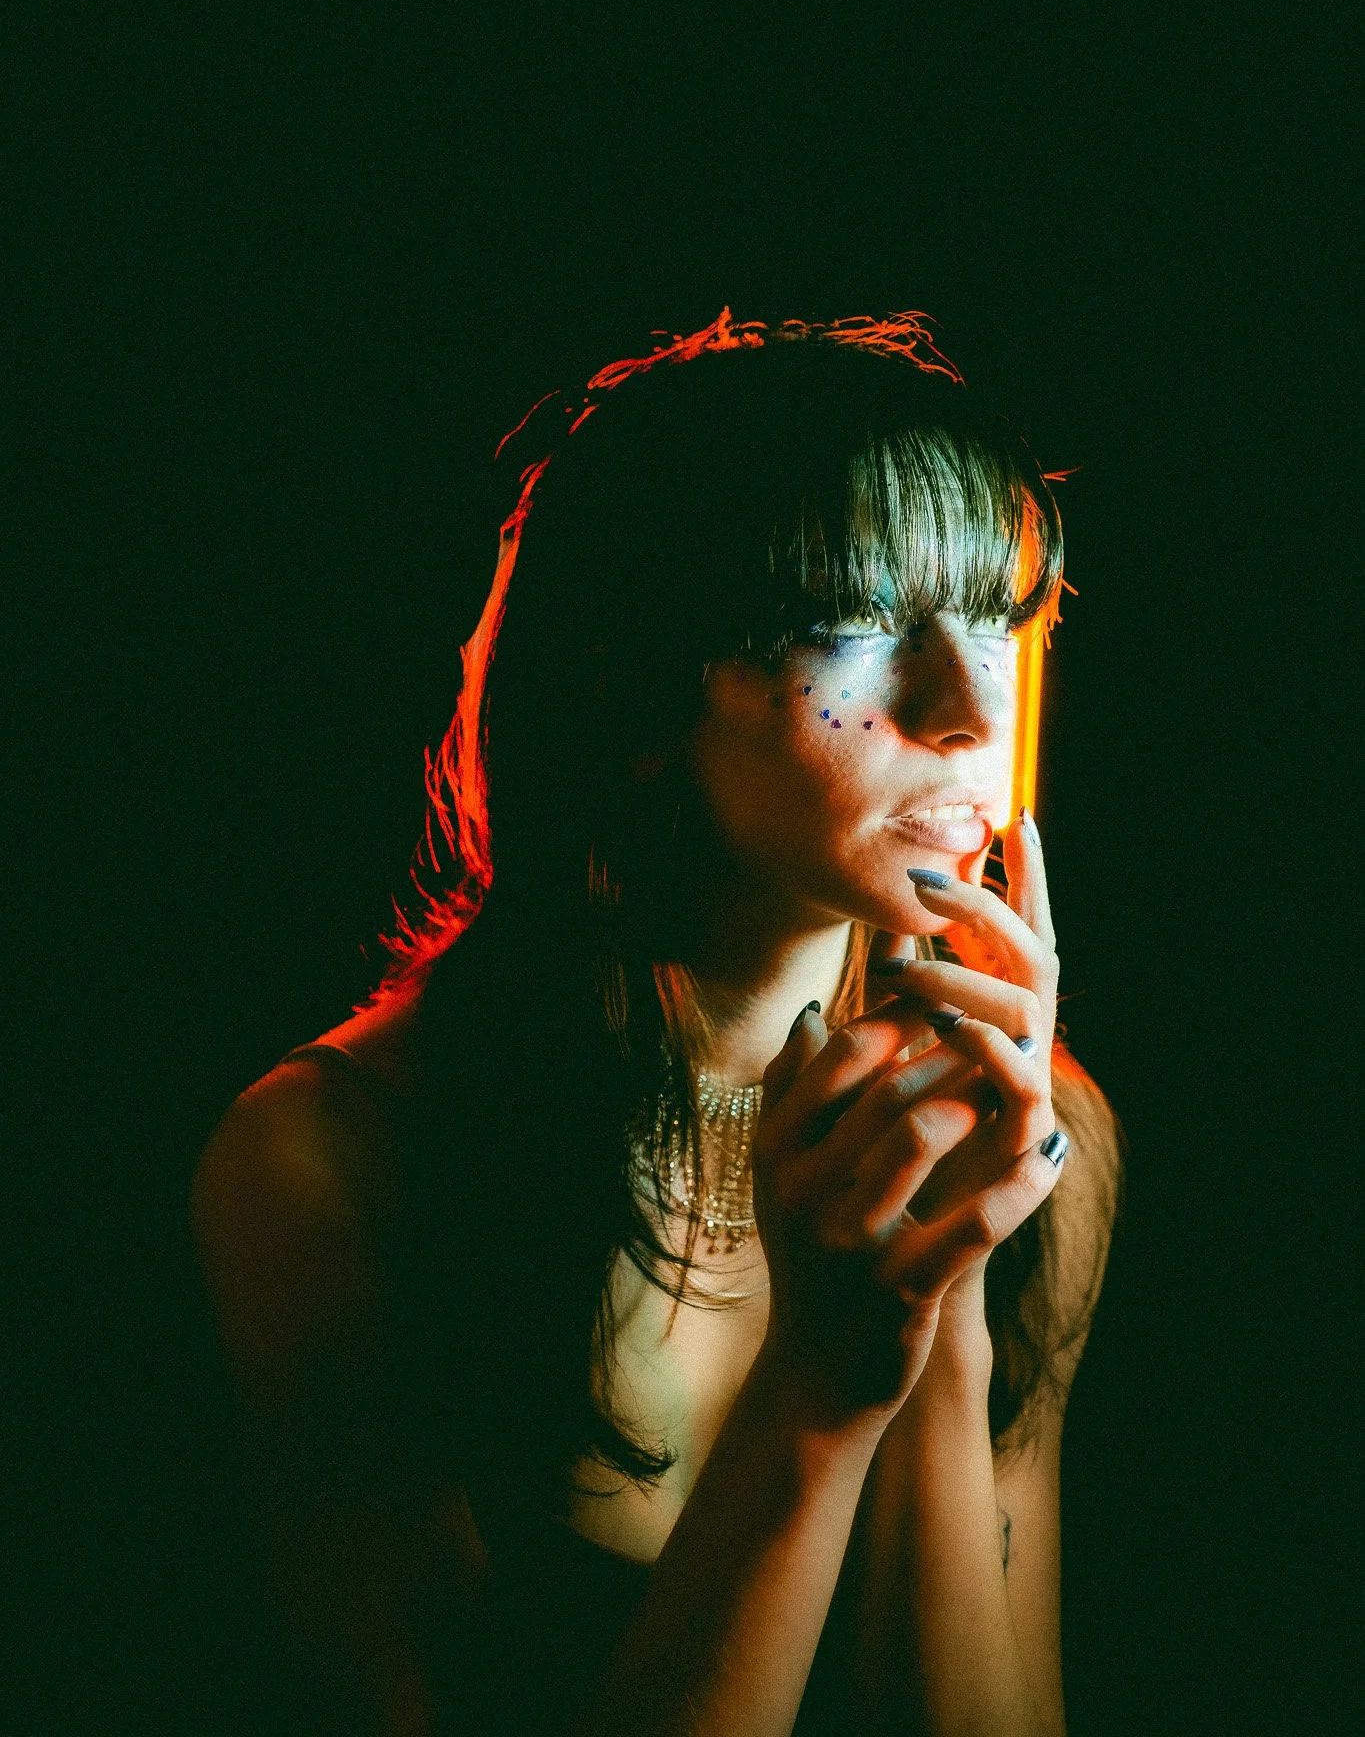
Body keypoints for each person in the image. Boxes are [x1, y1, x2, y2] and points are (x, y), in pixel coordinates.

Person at [191, 309, 1125, 1736]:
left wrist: (946, 1312)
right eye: (854, 625)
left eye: (998, 618)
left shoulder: (1046, 1145)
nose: (962, 712)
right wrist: (816, 1394)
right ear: (631, 688)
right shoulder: (332, 1170)